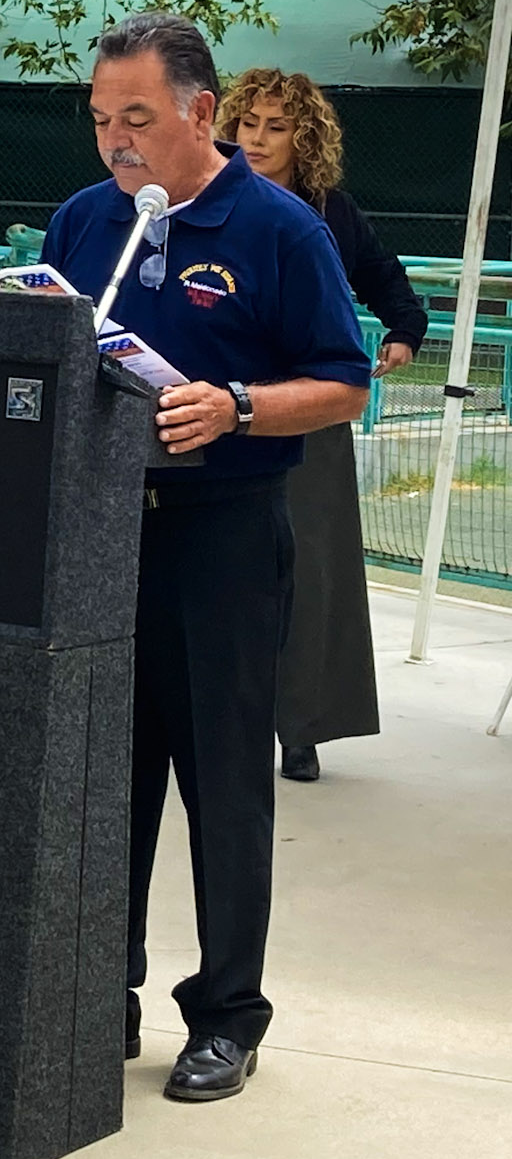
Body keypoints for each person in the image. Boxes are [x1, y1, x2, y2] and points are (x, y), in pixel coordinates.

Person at [41, 12, 371, 1102]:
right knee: (103, 776)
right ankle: (100, 991)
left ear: (198, 112)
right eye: (98, 120)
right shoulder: (86, 223)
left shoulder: (278, 230)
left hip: (222, 538)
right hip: (98, 534)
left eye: (136, 118)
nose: (114, 142)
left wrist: (235, 406)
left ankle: (226, 1012)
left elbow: (343, 381)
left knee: (222, 784)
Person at [224, 68, 427, 783]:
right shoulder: (205, 198)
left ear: (303, 137)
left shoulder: (331, 212)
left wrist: (405, 328)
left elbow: (384, 275)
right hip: (218, 404)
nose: (257, 138)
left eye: (275, 127)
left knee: (310, 569)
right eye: (249, 122)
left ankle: (300, 726)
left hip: (309, 408)